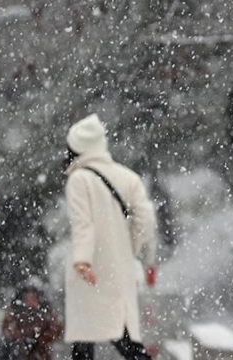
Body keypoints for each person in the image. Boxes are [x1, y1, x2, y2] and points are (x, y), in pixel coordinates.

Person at [63, 114, 159, 360]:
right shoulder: (128, 177)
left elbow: (83, 224)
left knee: (85, 340)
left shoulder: (79, 179)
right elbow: (145, 220)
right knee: (123, 334)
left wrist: (82, 259)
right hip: (118, 268)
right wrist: (129, 249)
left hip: (90, 271)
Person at [0, 284, 63, 360]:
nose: (30, 301)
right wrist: (21, 338)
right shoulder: (16, 313)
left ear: (38, 299)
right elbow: (7, 327)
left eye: (33, 298)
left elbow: (56, 329)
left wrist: (40, 339)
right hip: (19, 352)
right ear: (23, 299)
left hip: (40, 353)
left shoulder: (45, 313)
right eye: (27, 298)